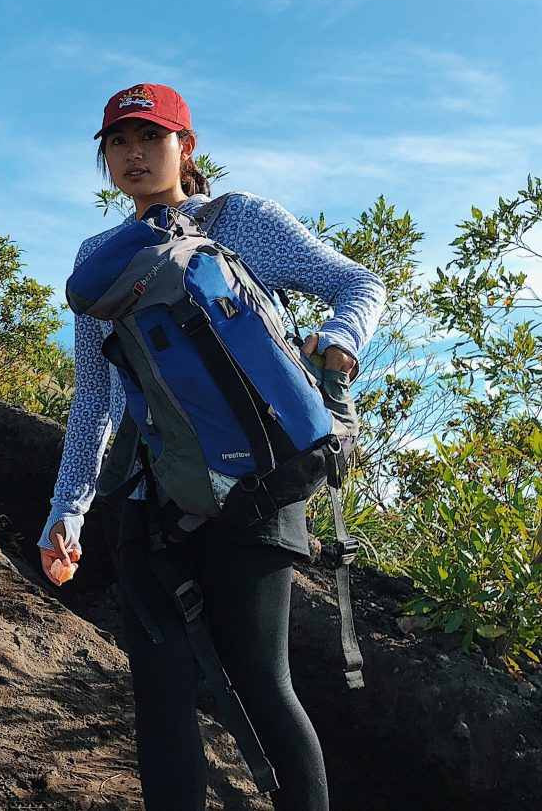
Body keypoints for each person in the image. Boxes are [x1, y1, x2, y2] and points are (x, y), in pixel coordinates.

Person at [40, 84, 385, 811]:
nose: (134, 154)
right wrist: (66, 509)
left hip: (254, 491)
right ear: (105, 158)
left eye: (152, 139)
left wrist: (342, 338)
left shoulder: (243, 220)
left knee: (262, 681)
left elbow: (357, 282)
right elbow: (95, 395)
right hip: (144, 496)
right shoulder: (98, 256)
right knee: (159, 694)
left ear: (185, 148)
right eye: (118, 144)